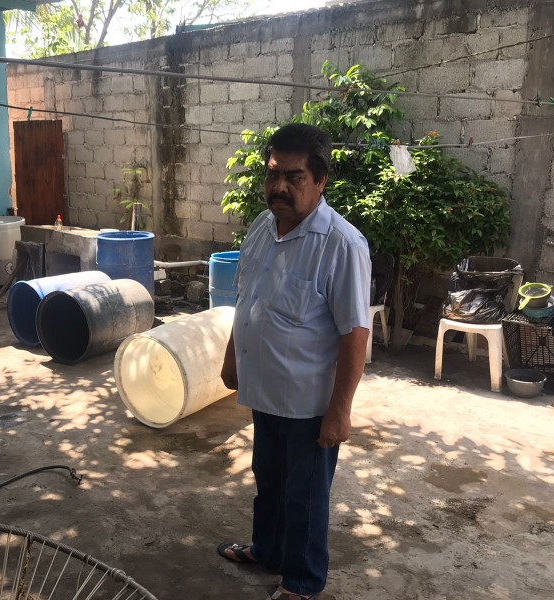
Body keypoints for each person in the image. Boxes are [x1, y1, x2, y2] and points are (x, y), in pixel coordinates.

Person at [217, 123, 371, 600]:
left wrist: (340, 409)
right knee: (269, 484)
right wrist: (231, 358)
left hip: (308, 406)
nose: (279, 186)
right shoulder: (262, 228)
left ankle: (302, 584)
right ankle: (267, 551)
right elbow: (246, 300)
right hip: (266, 394)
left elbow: (355, 334)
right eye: (273, 174)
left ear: (321, 180)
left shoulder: (341, 245)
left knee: (304, 498)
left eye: (295, 176)